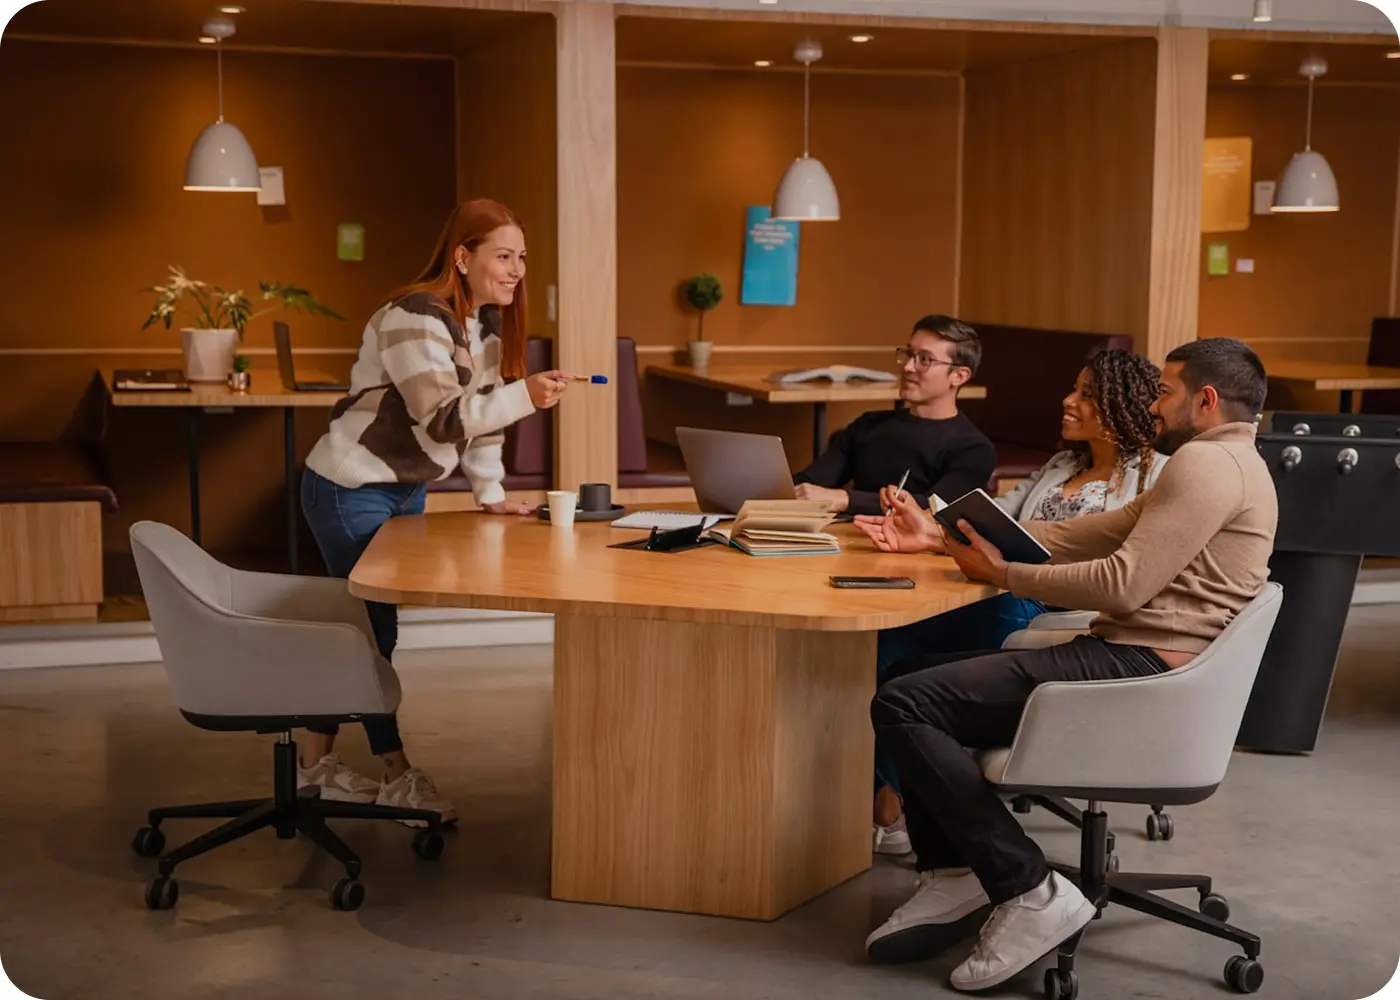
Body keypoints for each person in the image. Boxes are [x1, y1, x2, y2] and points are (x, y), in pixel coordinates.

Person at [858, 338, 1276, 993]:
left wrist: (1006, 573)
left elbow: (1121, 583)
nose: (1153, 405)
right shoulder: (1229, 462)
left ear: (1207, 399)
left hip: (1137, 673)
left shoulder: (1206, 464)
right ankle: (955, 873)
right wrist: (943, 536)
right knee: (911, 681)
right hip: (1140, 663)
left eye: (1164, 392)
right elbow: (1099, 532)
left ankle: (1024, 886)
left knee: (905, 702)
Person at [296, 198, 573, 824]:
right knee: (373, 633)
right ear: (463, 256)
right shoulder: (413, 317)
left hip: (403, 488)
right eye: (503, 256)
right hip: (351, 486)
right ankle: (396, 773)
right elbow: (445, 419)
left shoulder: (480, 329)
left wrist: (491, 492)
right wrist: (524, 396)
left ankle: (313, 765)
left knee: (358, 630)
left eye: (522, 257)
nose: (516, 269)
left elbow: (482, 430)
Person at [863, 348, 1168, 856]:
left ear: (1123, 404)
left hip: (1062, 615)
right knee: (886, 642)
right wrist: (929, 524)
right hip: (1008, 593)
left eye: (1087, 395)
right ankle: (890, 794)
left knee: (920, 648)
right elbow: (992, 518)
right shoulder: (1060, 464)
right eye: (1073, 390)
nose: (1068, 401)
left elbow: (1123, 569)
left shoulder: (1154, 477)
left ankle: (901, 802)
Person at [792, 315, 997, 517]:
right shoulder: (869, 424)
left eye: (924, 359)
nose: (907, 367)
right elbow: (810, 483)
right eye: (909, 354)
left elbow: (935, 508)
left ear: (958, 376)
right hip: (848, 538)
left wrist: (846, 499)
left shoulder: (973, 449)